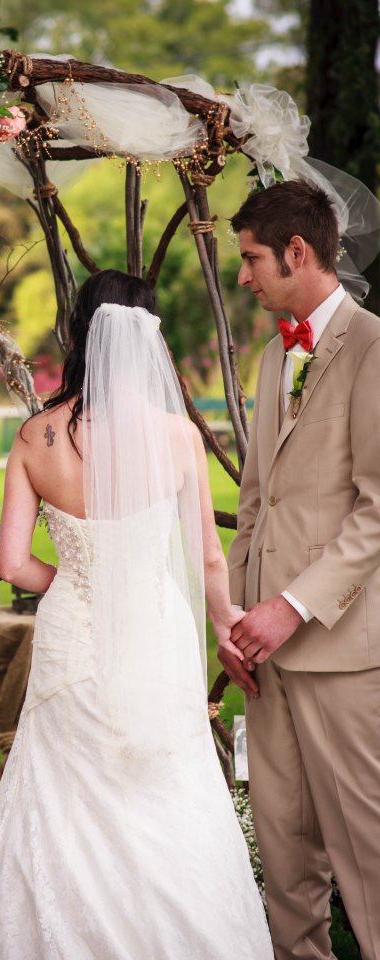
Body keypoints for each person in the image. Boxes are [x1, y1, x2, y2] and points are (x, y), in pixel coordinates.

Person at [0, 270, 273, 959]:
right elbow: (210, 559)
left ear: (79, 334)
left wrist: (77, 579)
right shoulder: (177, 437)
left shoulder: (38, 436)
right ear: (148, 338)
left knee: (62, 789)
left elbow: (11, 565)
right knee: (163, 788)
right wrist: (222, 626)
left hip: (72, 630)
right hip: (153, 631)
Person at [224, 180, 380, 960]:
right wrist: (235, 621)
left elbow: (378, 509)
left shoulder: (376, 346)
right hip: (265, 656)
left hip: (341, 648)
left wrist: (291, 605)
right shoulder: (272, 355)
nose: (244, 276)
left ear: (298, 251)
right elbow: (257, 505)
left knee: (368, 859)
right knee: (284, 863)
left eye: (252, 259)